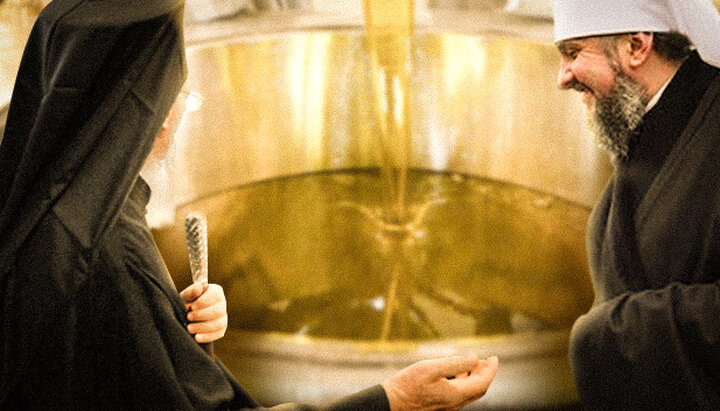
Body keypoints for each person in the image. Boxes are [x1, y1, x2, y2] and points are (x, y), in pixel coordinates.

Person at [0, 0, 498, 410]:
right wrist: (394, 398)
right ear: (148, 110)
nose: (179, 110)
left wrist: (178, 333)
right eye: (177, 91)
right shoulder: (115, 255)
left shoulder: (39, 208)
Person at [551, 0, 720, 408]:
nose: (563, 78)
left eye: (574, 53)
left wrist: (608, 336)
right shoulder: (649, 126)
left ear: (636, 46)